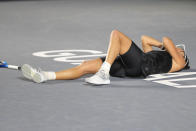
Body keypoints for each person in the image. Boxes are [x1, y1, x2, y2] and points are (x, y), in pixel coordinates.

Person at [21, 30, 190, 85]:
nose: (177, 49)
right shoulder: (161, 54)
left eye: (179, 50)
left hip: (141, 66)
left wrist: (168, 47)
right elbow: (145, 39)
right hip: (132, 67)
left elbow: (167, 40)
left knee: (116, 34)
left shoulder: (180, 62)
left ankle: (104, 74)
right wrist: (162, 47)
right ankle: (46, 75)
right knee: (86, 65)